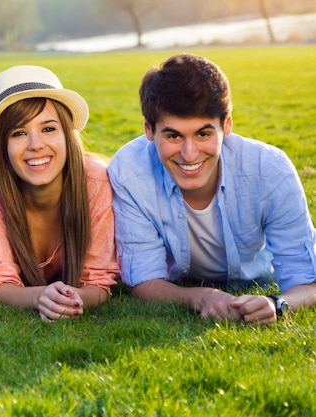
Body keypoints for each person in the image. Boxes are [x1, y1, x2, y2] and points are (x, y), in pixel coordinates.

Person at [108, 53, 316, 324]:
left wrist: (277, 303)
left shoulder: (270, 169)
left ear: (226, 125)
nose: (189, 153)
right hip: (180, 280)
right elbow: (143, 280)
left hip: (258, 276)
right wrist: (200, 297)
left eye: (203, 134)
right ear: (149, 130)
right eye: (173, 136)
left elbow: (307, 279)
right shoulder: (128, 171)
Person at [0, 65, 120, 321]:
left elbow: (99, 280)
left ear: (67, 134)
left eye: (48, 129)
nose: (35, 145)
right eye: (19, 133)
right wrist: (41, 297)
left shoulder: (94, 178)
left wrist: (69, 300)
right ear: (3, 145)